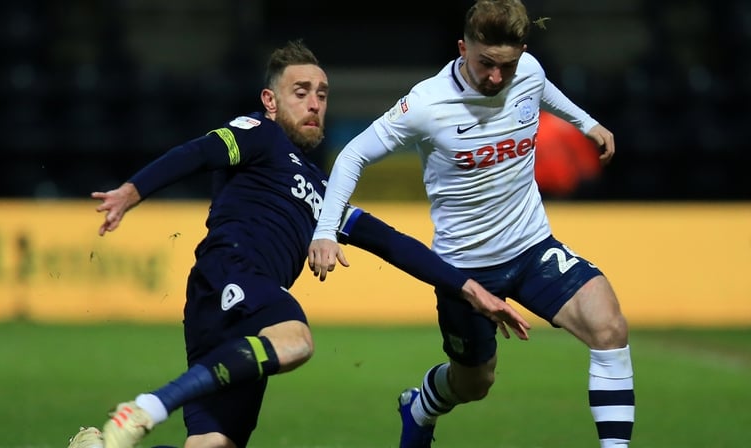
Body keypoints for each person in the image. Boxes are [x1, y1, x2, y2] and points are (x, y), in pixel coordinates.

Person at [66, 39, 531, 448]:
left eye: (322, 94)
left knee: (212, 444)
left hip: (233, 310)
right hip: (232, 272)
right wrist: (133, 191)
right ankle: (146, 408)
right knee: (296, 340)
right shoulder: (260, 135)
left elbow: (391, 243)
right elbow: (199, 152)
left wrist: (469, 288)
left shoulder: (324, 191)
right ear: (270, 101)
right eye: (301, 92)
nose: (314, 104)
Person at [308, 1, 635, 447]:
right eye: (486, 64)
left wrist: (586, 122)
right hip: (463, 270)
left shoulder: (527, 71)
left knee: (609, 327)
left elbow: (541, 88)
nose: (497, 77)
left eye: (507, 66)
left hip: (532, 248)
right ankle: (420, 406)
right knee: (475, 383)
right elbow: (353, 156)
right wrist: (326, 230)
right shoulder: (427, 103)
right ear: (463, 49)